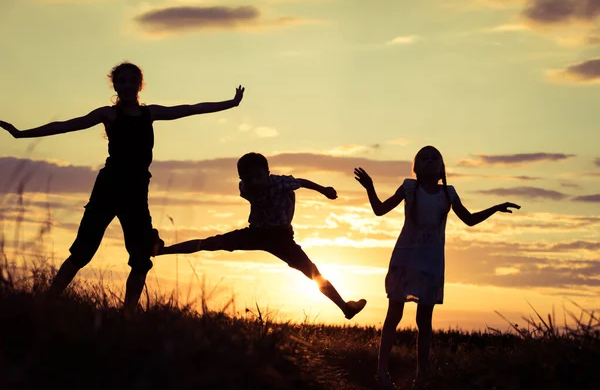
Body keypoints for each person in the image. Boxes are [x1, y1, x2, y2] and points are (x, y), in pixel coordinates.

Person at [0, 62, 245, 316]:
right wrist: (21, 134)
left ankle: (128, 316)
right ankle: (45, 303)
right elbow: (66, 125)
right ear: (115, 86)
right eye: (122, 81)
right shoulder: (109, 115)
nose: (127, 86)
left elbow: (190, 109)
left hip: (137, 193)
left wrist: (230, 103)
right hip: (108, 188)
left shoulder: (150, 114)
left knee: (141, 259)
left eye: (132, 81)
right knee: (82, 251)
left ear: (139, 86)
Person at [354, 145, 520, 390]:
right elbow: (380, 210)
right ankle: (382, 375)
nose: (429, 161)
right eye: (424, 157)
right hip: (405, 259)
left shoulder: (449, 193)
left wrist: (494, 208)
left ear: (442, 168)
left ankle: (420, 379)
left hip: (431, 264)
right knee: (394, 316)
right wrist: (370, 187)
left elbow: (470, 219)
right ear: (416, 167)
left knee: (425, 321)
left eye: (435, 158)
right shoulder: (409, 187)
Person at [157, 152, 367, 320]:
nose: (254, 182)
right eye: (248, 178)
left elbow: (301, 182)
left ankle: (345, 307)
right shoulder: (245, 188)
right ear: (242, 179)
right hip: (255, 233)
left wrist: (324, 190)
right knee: (212, 243)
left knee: (312, 272)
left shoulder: (279, 183)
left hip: (281, 238)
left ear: (268, 173)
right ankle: (162, 250)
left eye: (258, 177)